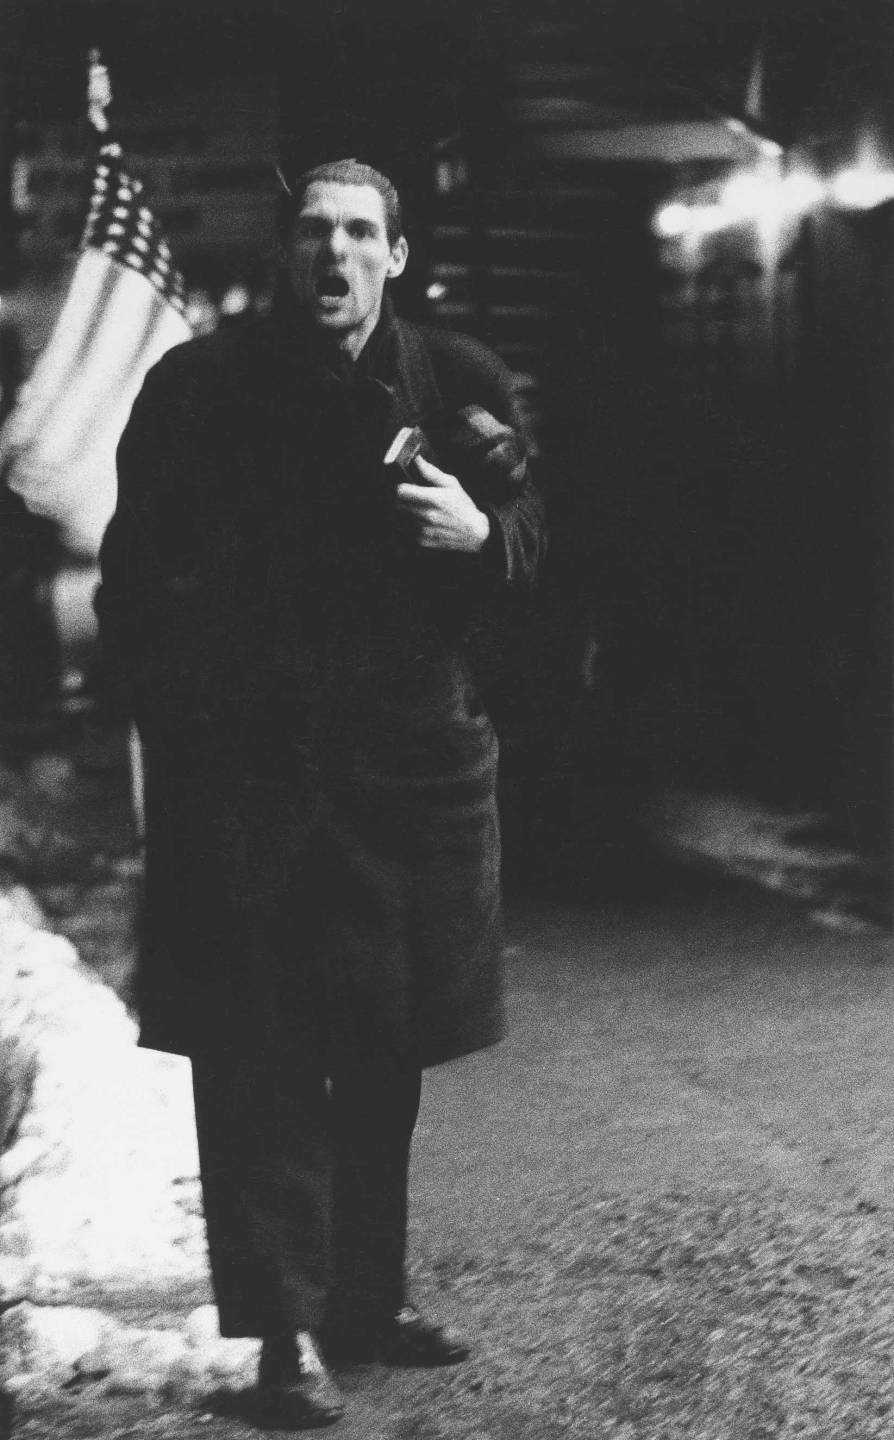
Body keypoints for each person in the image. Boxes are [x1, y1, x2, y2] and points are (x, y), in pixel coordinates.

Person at [95, 158, 546, 1430]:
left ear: (396, 255)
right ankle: (283, 1334)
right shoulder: (202, 389)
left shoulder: (457, 383)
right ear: (285, 252)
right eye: (312, 232)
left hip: (407, 776)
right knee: (261, 1057)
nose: (333, 255)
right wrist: (194, 719)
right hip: (256, 777)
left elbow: (540, 547)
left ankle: (365, 1298)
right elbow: (137, 584)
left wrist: (485, 538)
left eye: (359, 233)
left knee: (385, 1044)